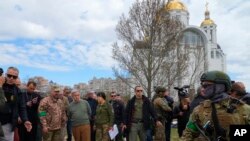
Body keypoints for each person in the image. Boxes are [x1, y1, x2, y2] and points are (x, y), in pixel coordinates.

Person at [182, 70, 250, 141]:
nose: (203, 89)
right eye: (202, 85)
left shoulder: (244, 109)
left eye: (207, 85)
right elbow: (188, 134)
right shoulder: (199, 110)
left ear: (220, 86)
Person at [0, 67, 32, 141]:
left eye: (14, 77)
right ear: (5, 75)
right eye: (9, 75)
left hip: (8, 124)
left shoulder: (18, 92)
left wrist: (25, 120)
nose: (11, 78)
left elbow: (22, 108)